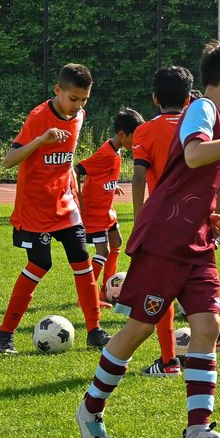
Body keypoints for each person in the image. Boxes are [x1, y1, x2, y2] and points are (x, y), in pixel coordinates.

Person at [75, 41, 220, 438]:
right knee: (139, 329)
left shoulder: (216, 116)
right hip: (166, 241)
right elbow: (192, 154)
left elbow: (194, 178)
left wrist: (209, 214)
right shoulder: (203, 110)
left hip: (196, 242)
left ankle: (197, 434)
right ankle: (90, 409)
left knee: (207, 325)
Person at [0, 63, 109, 354]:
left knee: (82, 261)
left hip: (65, 205)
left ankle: (94, 331)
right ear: (57, 90)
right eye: (73, 98)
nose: (78, 105)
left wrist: (75, 194)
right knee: (40, 264)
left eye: (84, 99)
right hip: (35, 208)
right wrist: (41, 140)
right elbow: (8, 160)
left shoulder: (79, 115)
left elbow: (66, 161)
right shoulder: (39, 117)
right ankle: (4, 334)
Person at [130, 66, 195, 376]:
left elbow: (140, 174)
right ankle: (215, 338)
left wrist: (139, 217)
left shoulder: (145, 131)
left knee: (160, 289)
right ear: (188, 100)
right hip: (197, 217)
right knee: (198, 278)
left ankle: (169, 361)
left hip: (164, 221)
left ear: (154, 98)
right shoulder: (198, 126)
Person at [76, 108, 144, 298]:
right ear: (122, 135)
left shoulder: (117, 151)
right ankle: (87, 297)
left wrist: (110, 186)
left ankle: (105, 291)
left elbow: (100, 175)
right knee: (103, 250)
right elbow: (78, 169)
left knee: (117, 242)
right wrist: (79, 197)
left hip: (107, 210)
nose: (136, 142)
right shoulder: (105, 153)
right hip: (94, 213)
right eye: (134, 137)